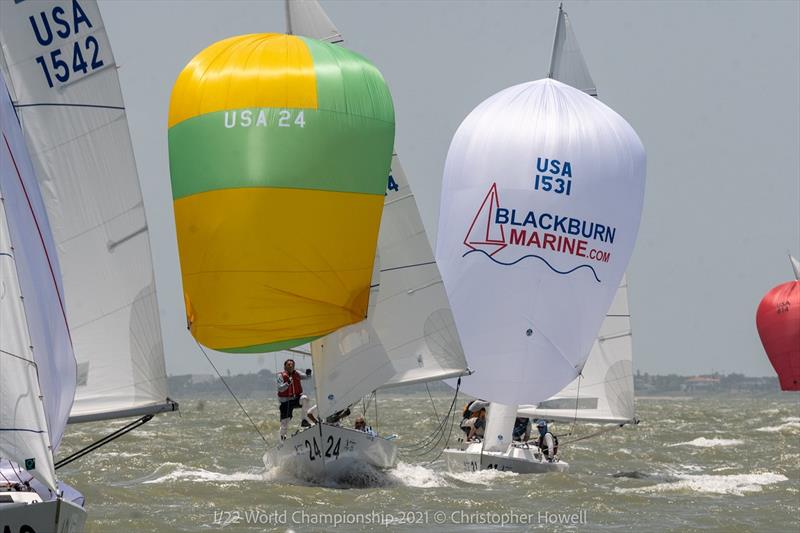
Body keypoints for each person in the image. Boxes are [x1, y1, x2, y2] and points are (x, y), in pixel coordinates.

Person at [276, 359, 315, 440]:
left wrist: (309, 374)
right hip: (286, 402)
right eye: (289, 365)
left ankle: (304, 421)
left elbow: (307, 378)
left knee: (305, 398)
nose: (291, 366)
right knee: (285, 422)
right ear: (285, 366)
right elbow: (280, 388)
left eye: (292, 364)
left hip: (296, 398)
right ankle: (282, 438)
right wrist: (287, 383)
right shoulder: (280, 375)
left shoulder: (297, 373)